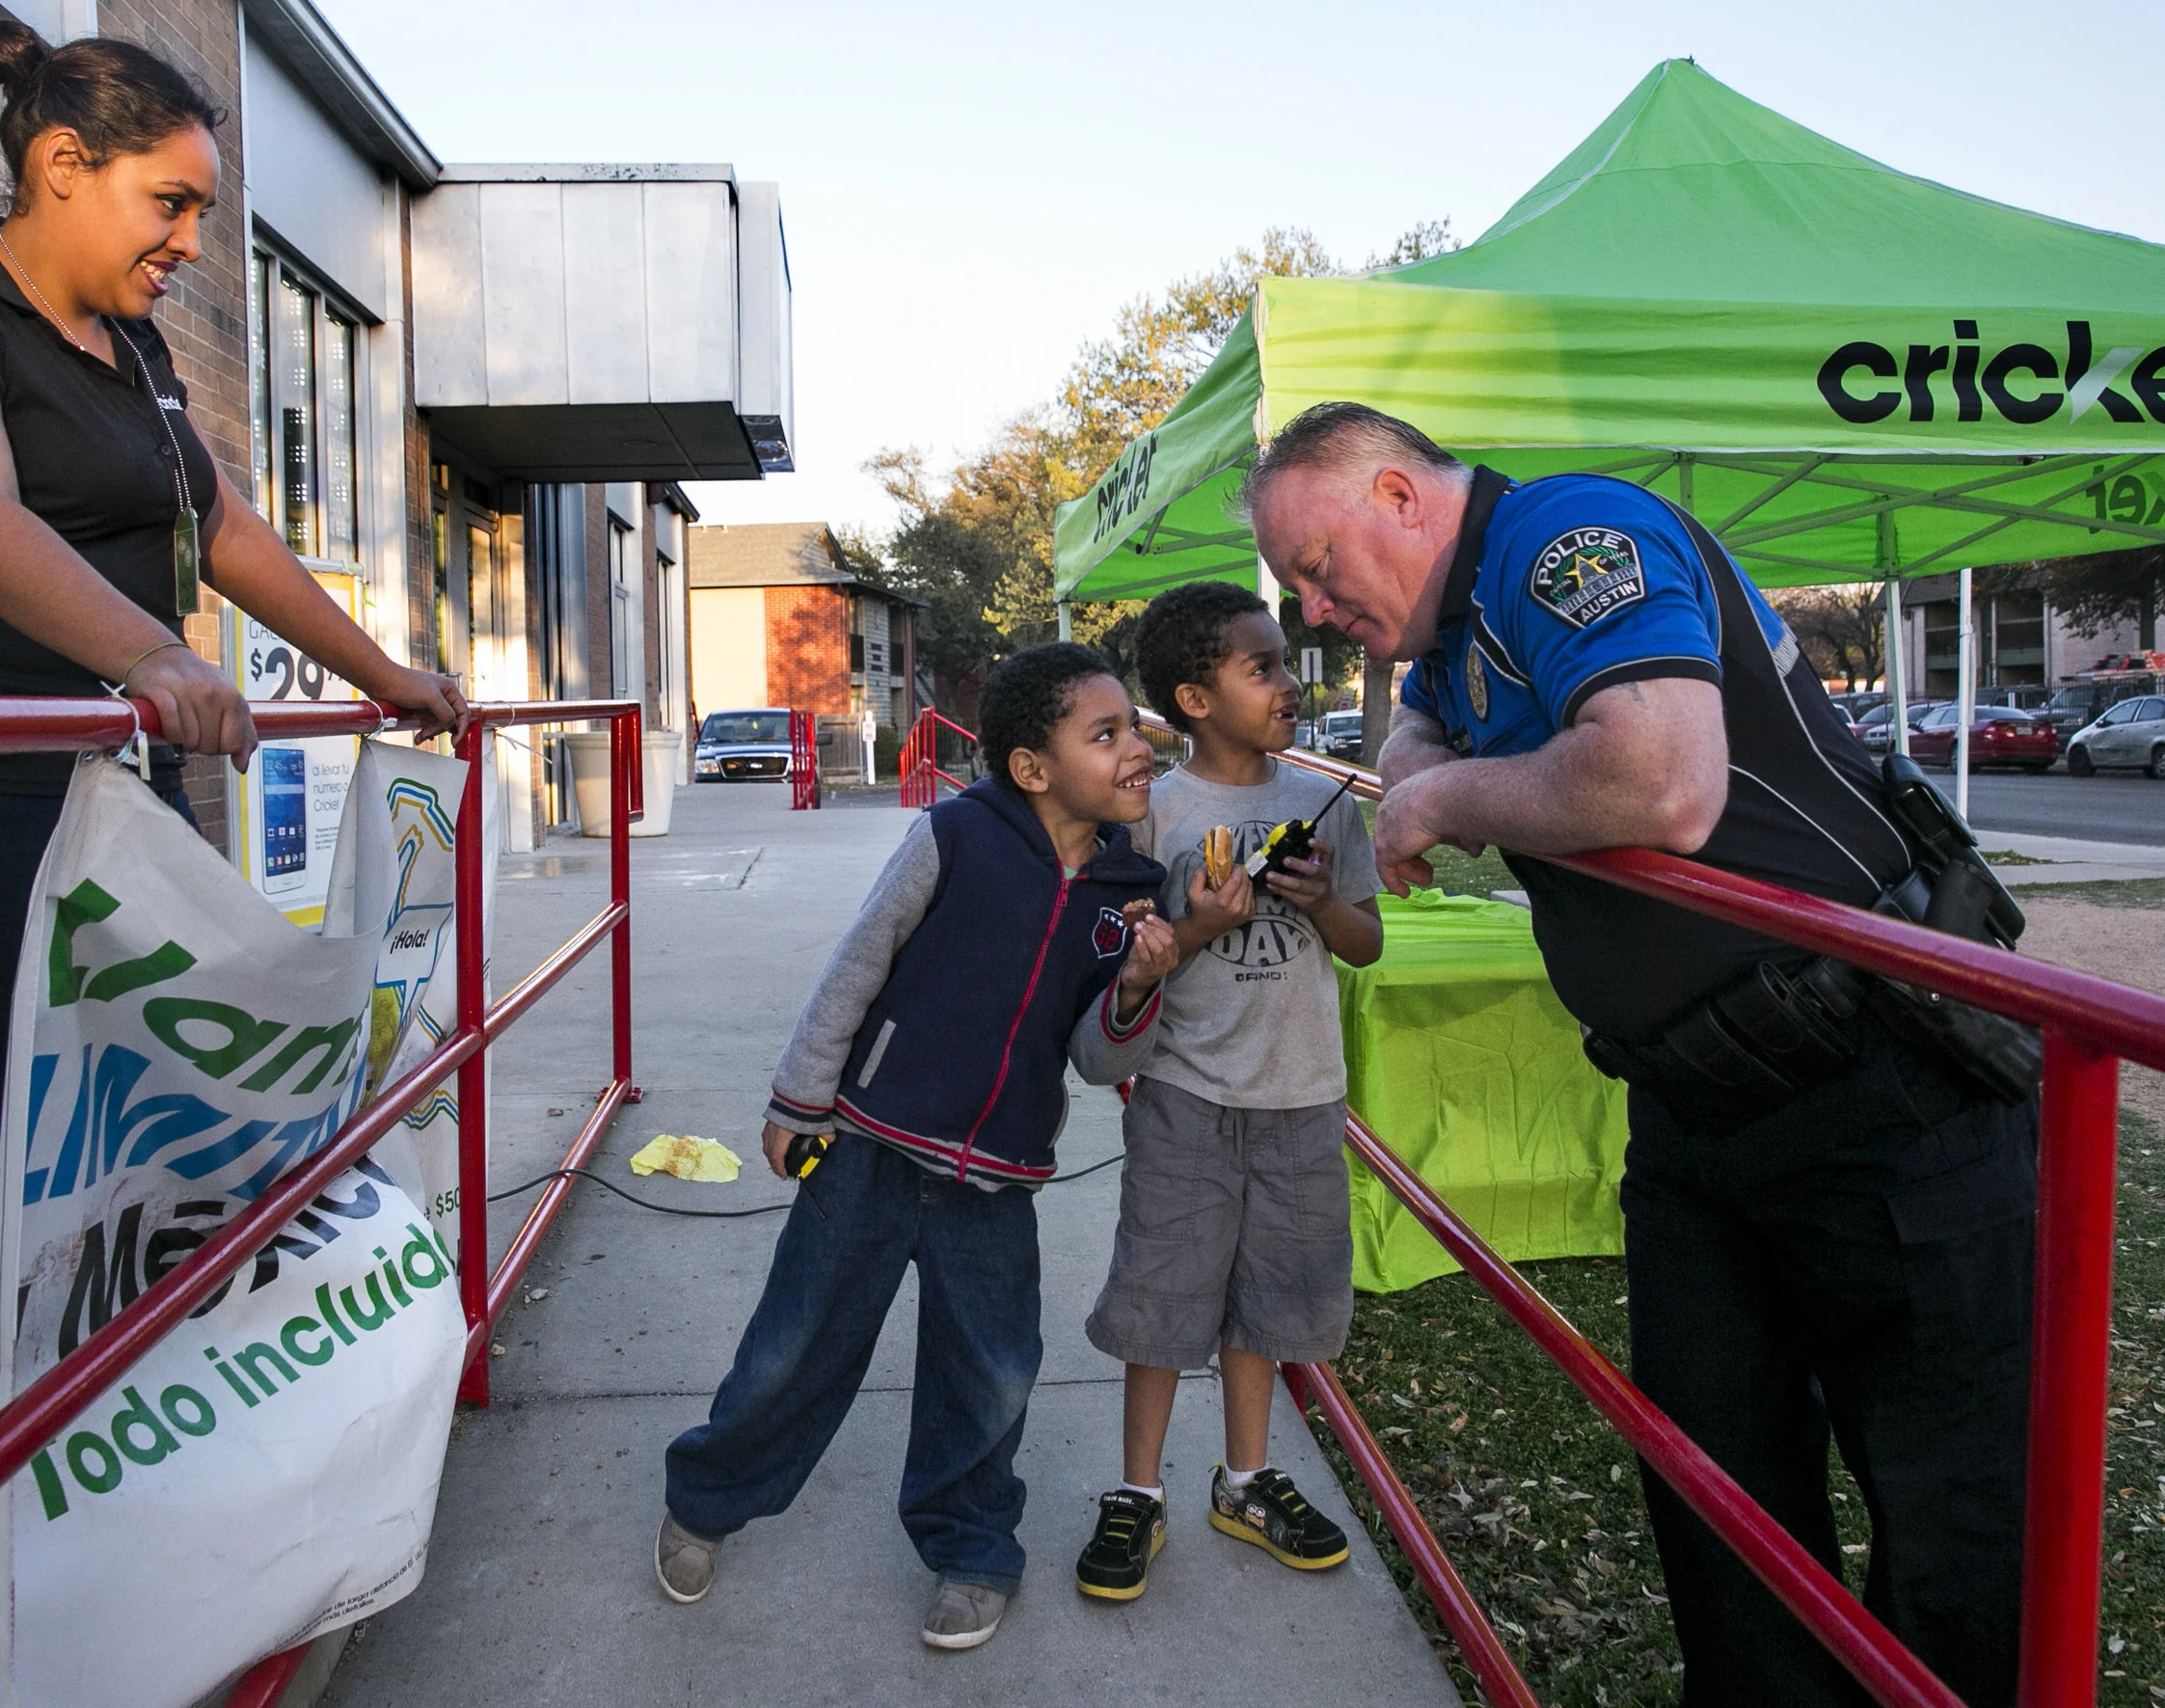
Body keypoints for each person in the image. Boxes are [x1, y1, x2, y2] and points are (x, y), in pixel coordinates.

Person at [1246, 400, 2035, 1708]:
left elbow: (1661, 780)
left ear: (1397, 496)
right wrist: (1421, 752)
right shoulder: (1462, 631)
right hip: (1695, 1112)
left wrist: (1445, 796)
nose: (1316, 612)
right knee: (1714, 1482)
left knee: (1950, 1499)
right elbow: (1416, 728)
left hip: (1879, 1085)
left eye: (1320, 568)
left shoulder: (1567, 535)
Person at [0, 20, 464, 1477]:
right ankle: (3, 1529)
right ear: (59, 165)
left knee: (122, 1172)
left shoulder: (138, 349)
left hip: (92, 814)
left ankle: (113, 1462)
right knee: (4, 1176)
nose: (191, 240)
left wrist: (391, 674)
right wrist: (149, 655)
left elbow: (226, 535)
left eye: (205, 212)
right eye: (171, 203)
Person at [658, 643, 1176, 1650]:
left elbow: (1099, 1056)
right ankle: (705, 1498)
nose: (1137, 748)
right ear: (1032, 766)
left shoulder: (1130, 886)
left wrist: (1141, 986)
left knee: (989, 1367)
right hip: (868, 1141)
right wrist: (801, 1098)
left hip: (997, 1172)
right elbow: (859, 963)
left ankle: (972, 1547)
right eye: (1105, 733)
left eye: (1135, 728)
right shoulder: (956, 836)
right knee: (797, 1342)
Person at [1073, 580, 1383, 1603]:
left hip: (1301, 1098)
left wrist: (1322, 898)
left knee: (1270, 1299)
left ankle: (1244, 1479)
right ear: (1194, 698)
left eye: (1287, 664)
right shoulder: (1153, 812)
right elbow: (1131, 959)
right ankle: (1136, 1490)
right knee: (1162, 1293)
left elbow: (1366, 944)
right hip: (1184, 1096)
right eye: (1262, 668)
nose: (1290, 685)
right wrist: (1198, 923)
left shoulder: (1321, 803)